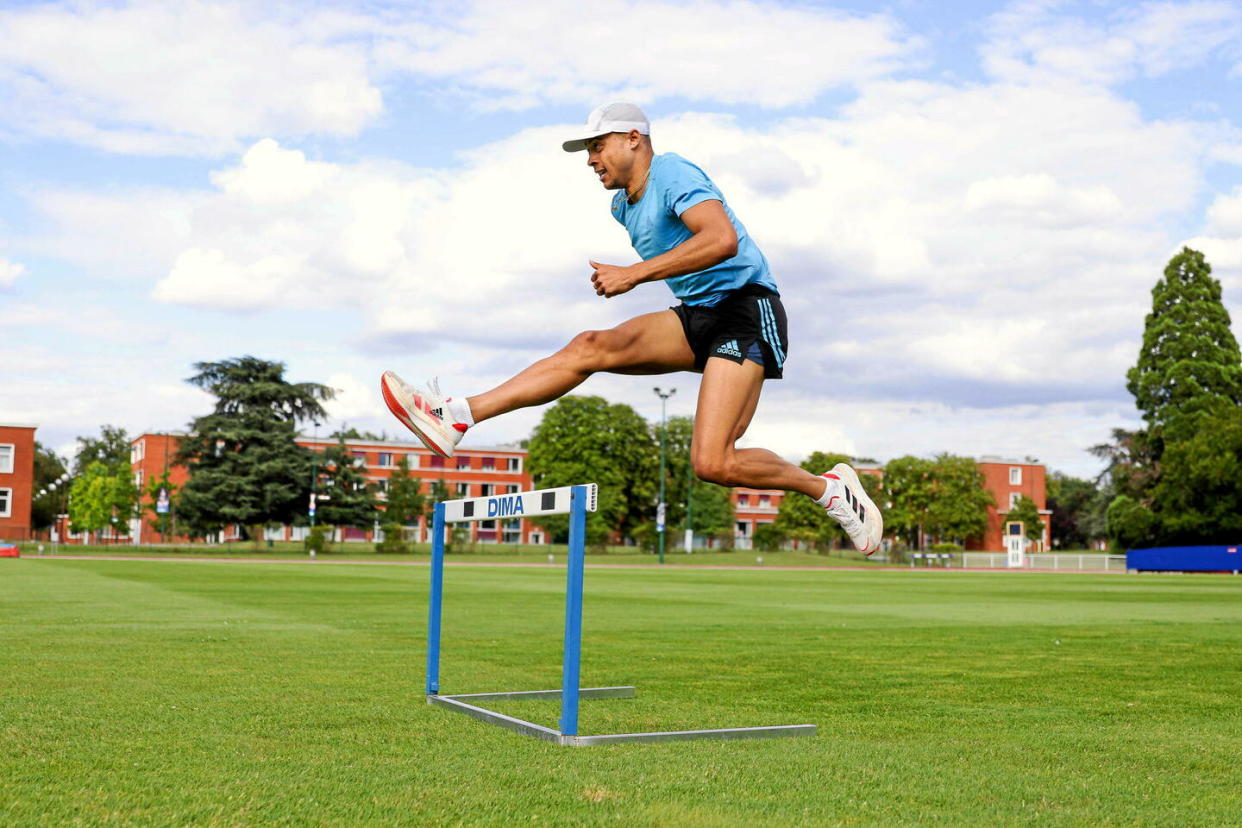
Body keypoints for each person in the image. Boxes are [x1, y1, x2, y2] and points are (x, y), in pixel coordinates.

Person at [381, 102, 882, 554]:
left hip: (746, 310)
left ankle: (826, 489)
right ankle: (458, 416)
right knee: (590, 346)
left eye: (597, 146)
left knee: (713, 463)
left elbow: (721, 239)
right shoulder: (622, 206)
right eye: (587, 150)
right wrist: (635, 274)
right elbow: (684, 265)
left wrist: (633, 273)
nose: (590, 159)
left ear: (633, 139)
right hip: (697, 315)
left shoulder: (672, 171)